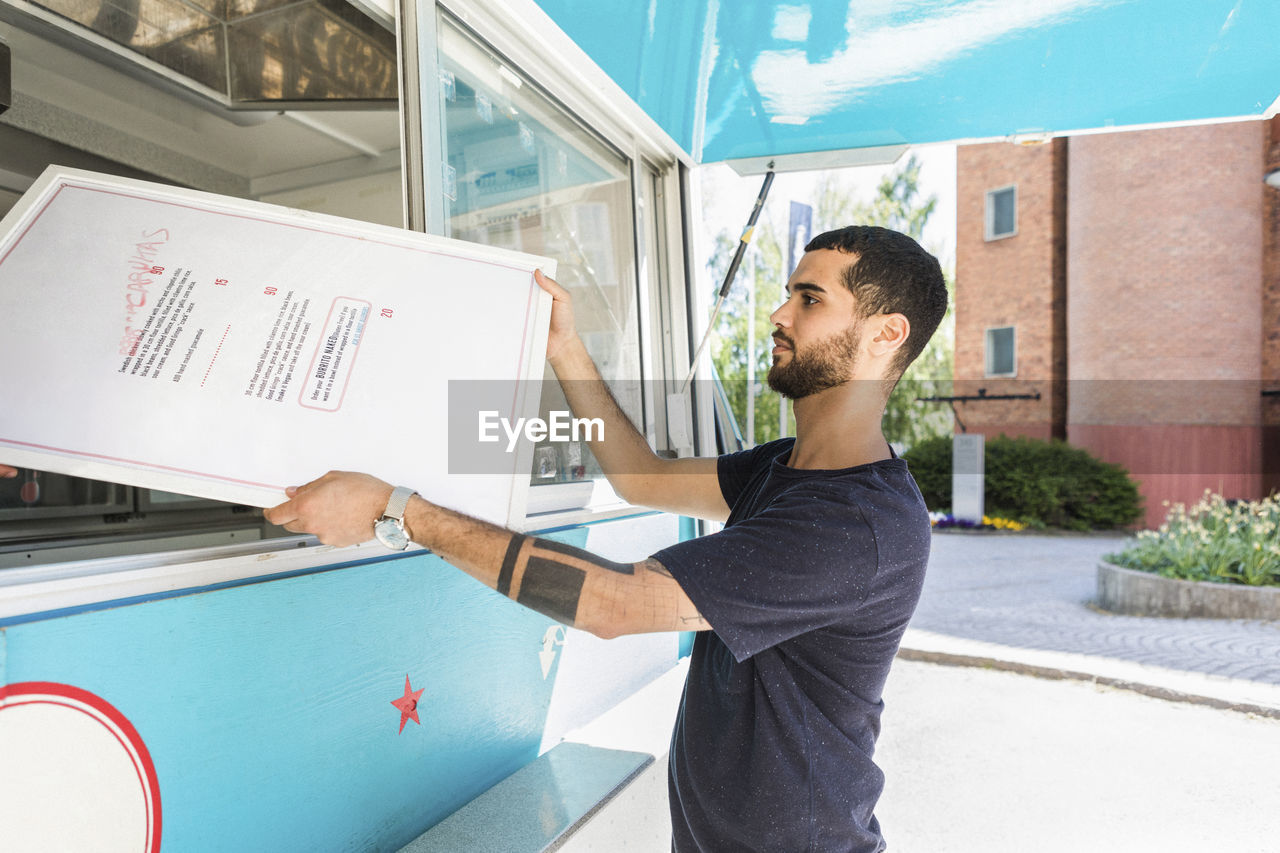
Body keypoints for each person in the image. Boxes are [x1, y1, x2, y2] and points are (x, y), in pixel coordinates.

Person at [264, 225, 948, 852]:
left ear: (886, 333)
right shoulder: (785, 469)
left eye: (809, 299)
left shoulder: (857, 523)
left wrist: (401, 510)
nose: (778, 314)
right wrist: (563, 343)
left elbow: (613, 605)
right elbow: (638, 474)